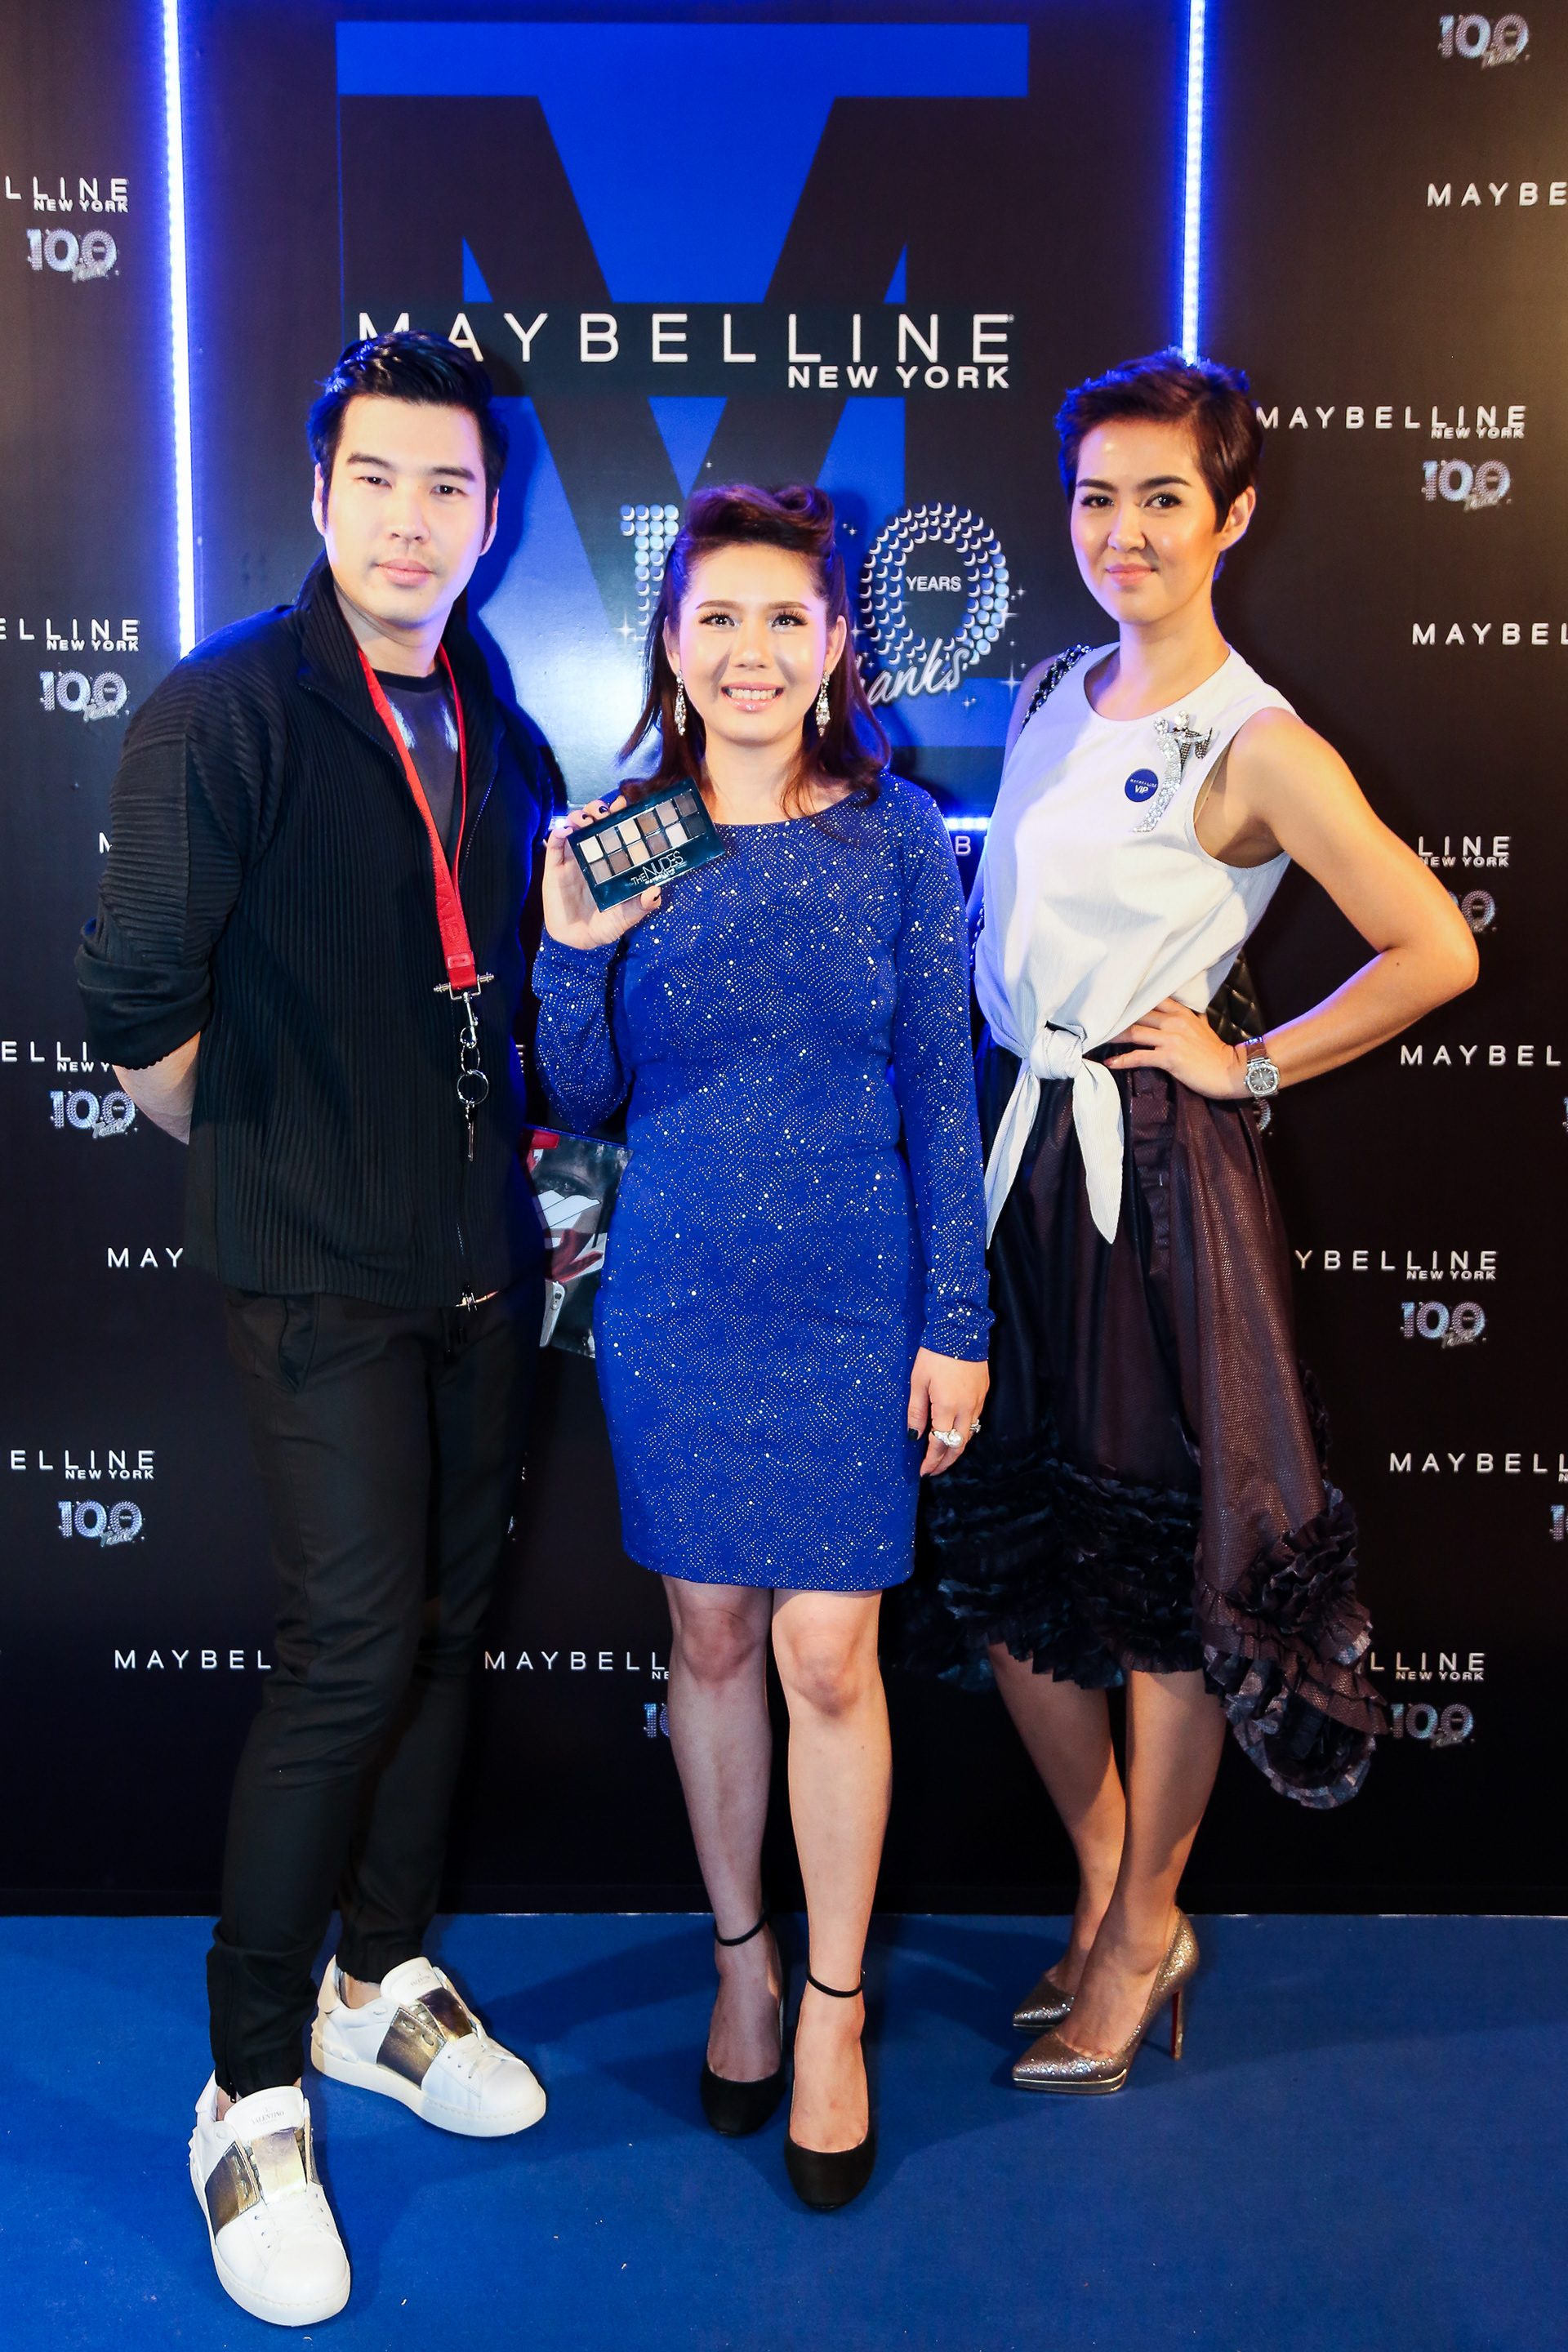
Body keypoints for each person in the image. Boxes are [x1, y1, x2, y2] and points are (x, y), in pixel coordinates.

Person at [902, 351, 1479, 2094]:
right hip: (1011, 1149)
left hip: (1150, 1172)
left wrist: (1253, 1063)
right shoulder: (1051, 685)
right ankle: (1108, 1886)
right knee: (1002, 1541)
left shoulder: (1258, 739)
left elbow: (1436, 948)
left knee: (1157, 1572)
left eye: (1164, 499)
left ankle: (1147, 1916)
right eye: (1098, 497)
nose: (1125, 532)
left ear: (1234, 517)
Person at [76, 333, 554, 2326]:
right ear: (318, 493)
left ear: (492, 517)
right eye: (379, 480)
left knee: (442, 1633)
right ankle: (249, 2081)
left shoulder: (492, 712)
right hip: (316, 1279)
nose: (413, 522)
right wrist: (289, 1157)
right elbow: (134, 1011)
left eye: (450, 488)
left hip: (482, 1271)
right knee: (350, 1655)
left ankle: (378, 1975)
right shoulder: (227, 707)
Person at [532, 484, 990, 2209]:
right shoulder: (626, 840)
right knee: (713, 1637)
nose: (750, 651)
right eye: (716, 617)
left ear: (837, 642)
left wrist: (956, 1323)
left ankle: (835, 2015)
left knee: (829, 1657)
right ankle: (742, 1963)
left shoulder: (896, 836)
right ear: (670, 642)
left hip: (855, 1295)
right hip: (678, 1295)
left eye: (785, 618)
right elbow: (582, 1096)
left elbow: (943, 1098)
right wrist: (568, 953)